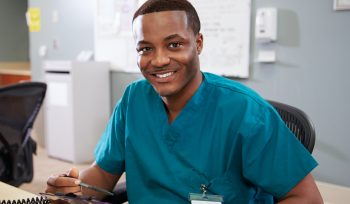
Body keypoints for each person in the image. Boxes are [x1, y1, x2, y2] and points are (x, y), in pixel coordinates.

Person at [46, 0, 323, 203]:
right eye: (145, 48)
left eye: (174, 44)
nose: (159, 60)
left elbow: (306, 198)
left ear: (198, 43)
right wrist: (74, 185)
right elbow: (103, 175)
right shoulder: (133, 101)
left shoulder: (246, 111)